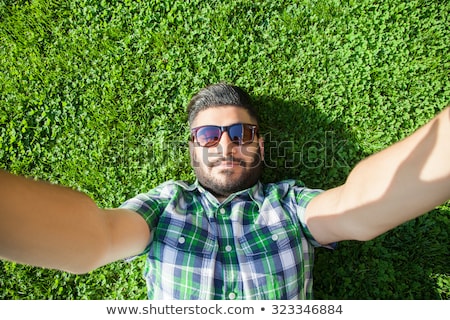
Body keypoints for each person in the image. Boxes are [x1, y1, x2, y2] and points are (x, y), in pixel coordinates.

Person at [0, 83, 449, 299]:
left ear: (260, 143)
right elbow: (95, 237)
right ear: (192, 148)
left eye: (241, 131)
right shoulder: (166, 203)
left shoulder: (288, 204)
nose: (227, 144)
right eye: (210, 134)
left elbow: (358, 206)